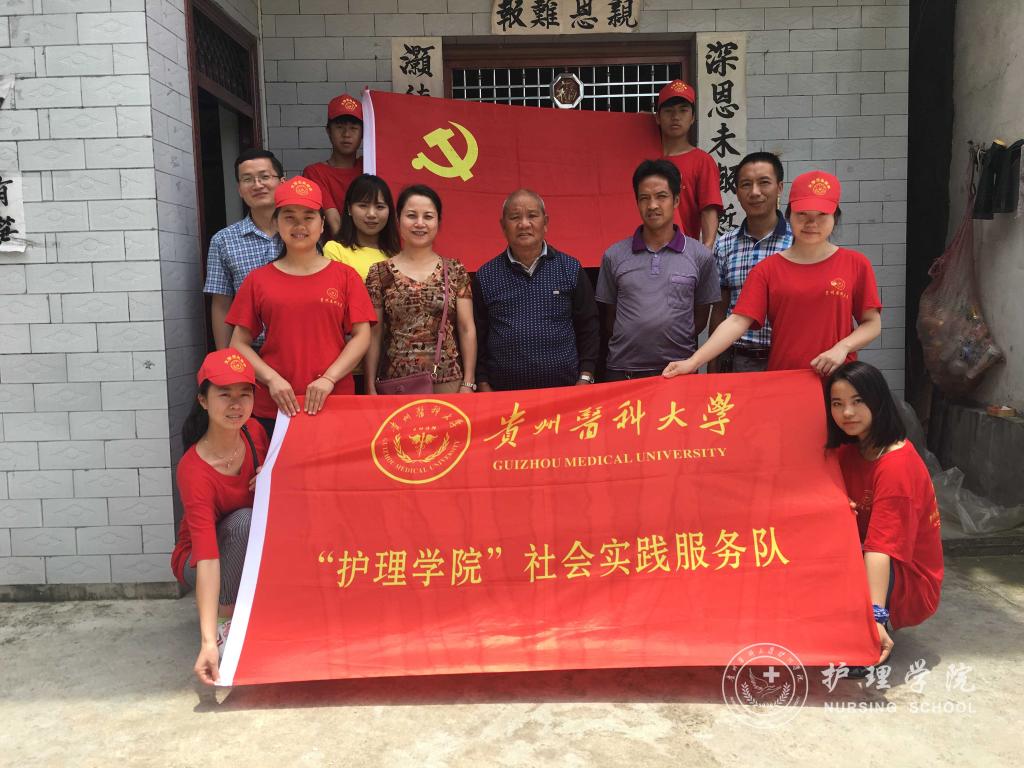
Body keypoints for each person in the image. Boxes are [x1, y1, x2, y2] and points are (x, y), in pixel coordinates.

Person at [663, 170, 882, 378]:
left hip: (839, 383)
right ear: (789, 215)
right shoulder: (768, 270)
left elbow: (872, 323)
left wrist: (843, 347)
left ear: (835, 217)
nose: (811, 223)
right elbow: (737, 322)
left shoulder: (855, 264)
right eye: (802, 214)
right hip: (785, 379)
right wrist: (693, 362)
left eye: (822, 215)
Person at [227, 176, 376, 436]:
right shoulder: (258, 280)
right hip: (276, 405)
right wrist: (271, 380)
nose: (300, 226)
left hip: (334, 400)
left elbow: (362, 335)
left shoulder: (345, 276)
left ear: (322, 224)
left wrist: (330, 378)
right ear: (277, 223)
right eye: (289, 217)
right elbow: (238, 343)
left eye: (308, 217)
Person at [826, 361, 944, 668]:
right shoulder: (850, 451)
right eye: (837, 404)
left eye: (858, 401)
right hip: (864, 554)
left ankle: (870, 632)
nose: (847, 413)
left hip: (905, 576)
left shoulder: (896, 465)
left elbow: (881, 549)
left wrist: (874, 617)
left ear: (878, 401)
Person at [171, 349, 268, 686]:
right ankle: (225, 622)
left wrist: (272, 477)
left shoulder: (254, 432)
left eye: (245, 394)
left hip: (243, 550)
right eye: (224, 394)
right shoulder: (194, 470)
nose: (236, 405)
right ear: (203, 400)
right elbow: (208, 556)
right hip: (198, 559)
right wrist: (207, 642)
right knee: (243, 522)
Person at [596, 159, 720, 381]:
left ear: (676, 200)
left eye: (661, 196)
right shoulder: (614, 255)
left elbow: (700, 318)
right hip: (623, 371)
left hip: (679, 371)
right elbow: (610, 318)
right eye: (644, 198)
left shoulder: (700, 256)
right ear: (637, 202)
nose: (652, 205)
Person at [472, 189, 599, 391]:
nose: (524, 224)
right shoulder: (486, 276)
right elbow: (477, 337)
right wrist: (482, 383)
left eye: (532, 215)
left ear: (545, 222)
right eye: (515, 217)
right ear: (503, 226)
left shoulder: (570, 268)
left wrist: (585, 377)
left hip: (566, 392)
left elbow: (589, 328)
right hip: (503, 397)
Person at [364, 185, 477, 395]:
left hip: (447, 382)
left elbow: (466, 328)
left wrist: (468, 382)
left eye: (428, 216)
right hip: (397, 384)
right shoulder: (379, 273)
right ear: (398, 219)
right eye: (411, 215)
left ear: (438, 222)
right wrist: (369, 385)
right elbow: (374, 332)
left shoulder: (455, 270)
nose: (420, 223)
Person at [708, 152, 793, 373]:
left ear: (780, 187)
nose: (754, 192)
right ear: (737, 192)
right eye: (746, 184)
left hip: (784, 360)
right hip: (736, 360)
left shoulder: (797, 242)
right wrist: (712, 364)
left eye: (764, 182)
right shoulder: (725, 244)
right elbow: (719, 308)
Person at [324, 174, 400, 393]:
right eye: (363, 205)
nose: (372, 214)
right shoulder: (335, 250)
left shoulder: (397, 255)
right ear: (349, 208)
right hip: (349, 365)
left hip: (393, 363)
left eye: (380, 206)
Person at [204, 149, 284, 349]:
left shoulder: (304, 234)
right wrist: (226, 357)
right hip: (248, 350)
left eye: (265, 177)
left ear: (282, 182)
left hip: (298, 349)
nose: (257, 185)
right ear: (239, 189)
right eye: (247, 179)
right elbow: (221, 304)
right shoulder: (223, 240)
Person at [655, 79, 723, 249]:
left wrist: (706, 248)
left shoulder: (702, 161)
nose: (675, 117)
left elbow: (709, 208)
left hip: (683, 251)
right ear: (657, 117)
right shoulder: (644, 158)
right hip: (643, 251)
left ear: (692, 118)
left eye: (683, 110)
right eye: (668, 111)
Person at [303, 93, 363, 239]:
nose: (346, 134)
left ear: (363, 133)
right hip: (338, 248)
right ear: (328, 131)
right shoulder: (315, 172)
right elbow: (335, 222)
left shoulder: (370, 167)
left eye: (354, 128)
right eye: (339, 127)